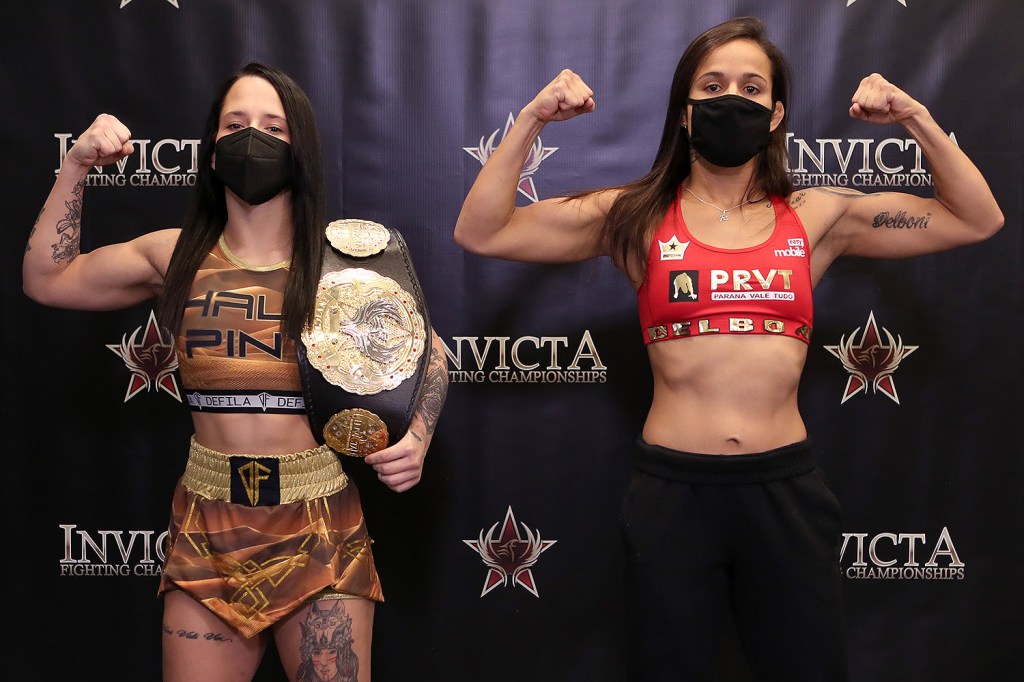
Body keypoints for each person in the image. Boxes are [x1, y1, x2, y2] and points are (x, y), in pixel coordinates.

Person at [453, 16, 1003, 682]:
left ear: (775, 115)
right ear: (685, 113)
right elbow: (482, 231)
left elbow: (978, 217)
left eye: (750, 87)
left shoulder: (816, 215)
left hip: (784, 489)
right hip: (674, 492)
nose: (730, 98)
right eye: (712, 85)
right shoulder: (635, 215)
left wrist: (913, 115)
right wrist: (535, 116)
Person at [23, 62, 449, 682]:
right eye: (236, 123)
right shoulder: (174, 254)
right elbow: (47, 279)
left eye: (274, 126)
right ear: (213, 146)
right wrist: (75, 168)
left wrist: (419, 436)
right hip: (208, 525)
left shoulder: (345, 258)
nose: (254, 137)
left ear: (298, 147)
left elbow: (431, 350)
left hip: (319, 525)